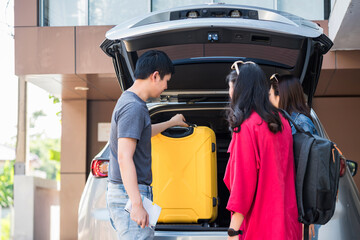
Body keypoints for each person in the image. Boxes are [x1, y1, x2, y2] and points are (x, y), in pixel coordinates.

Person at [106, 50, 188, 240]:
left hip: (129, 193)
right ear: (155, 75)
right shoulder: (133, 107)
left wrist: (171, 122)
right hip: (129, 195)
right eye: (166, 80)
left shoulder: (133, 103)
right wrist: (136, 204)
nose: (166, 87)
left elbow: (142, 133)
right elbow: (124, 157)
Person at [223, 61, 302, 240]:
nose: (229, 93)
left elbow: (243, 184)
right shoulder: (282, 121)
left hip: (261, 227)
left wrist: (233, 231)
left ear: (240, 89)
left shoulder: (247, 126)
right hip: (288, 224)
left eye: (230, 88)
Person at [269, 73, 320, 240]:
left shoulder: (301, 123)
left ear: (281, 96)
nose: (268, 100)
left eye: (270, 95)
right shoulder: (289, 121)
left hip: (303, 210)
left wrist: (308, 215)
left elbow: (308, 172)